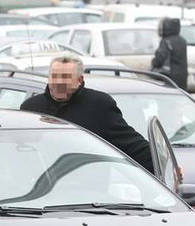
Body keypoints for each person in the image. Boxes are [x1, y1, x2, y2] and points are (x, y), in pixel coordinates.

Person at [20, 51, 154, 172]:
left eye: (66, 77)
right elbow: (20, 151)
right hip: (40, 189)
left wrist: (162, 164)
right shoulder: (31, 108)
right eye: (55, 76)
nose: (59, 82)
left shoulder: (99, 105)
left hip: (89, 189)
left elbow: (131, 144)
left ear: (80, 80)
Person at [151, 17, 188, 90]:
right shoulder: (182, 40)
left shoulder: (166, 41)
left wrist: (153, 62)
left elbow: (160, 59)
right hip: (182, 75)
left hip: (169, 76)